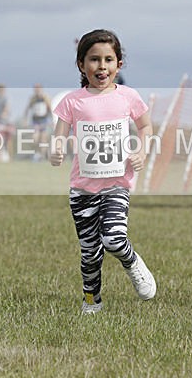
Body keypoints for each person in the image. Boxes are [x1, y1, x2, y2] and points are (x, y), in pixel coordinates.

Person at [50, 29, 156, 315]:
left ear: (119, 64)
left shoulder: (129, 97)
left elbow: (145, 126)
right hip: (82, 190)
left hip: (116, 184)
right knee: (89, 251)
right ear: (82, 65)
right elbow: (59, 134)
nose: (102, 66)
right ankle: (91, 301)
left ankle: (132, 262)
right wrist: (56, 149)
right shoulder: (72, 102)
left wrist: (142, 150)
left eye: (109, 59)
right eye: (94, 60)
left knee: (113, 238)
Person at [25, 83, 52, 162]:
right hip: (35, 121)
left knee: (43, 139)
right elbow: (27, 109)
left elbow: (50, 109)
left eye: (38, 88)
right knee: (35, 138)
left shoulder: (45, 98)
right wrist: (25, 119)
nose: (37, 90)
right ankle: (37, 153)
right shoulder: (32, 98)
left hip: (44, 120)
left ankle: (42, 156)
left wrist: (52, 121)